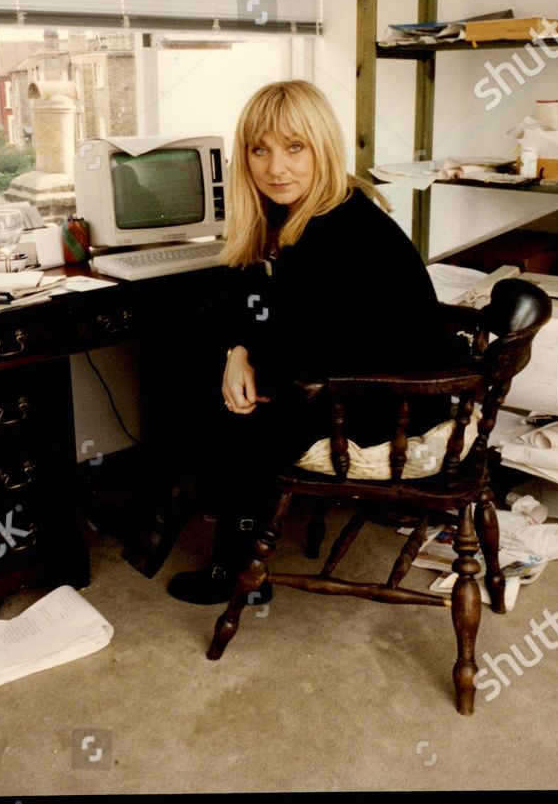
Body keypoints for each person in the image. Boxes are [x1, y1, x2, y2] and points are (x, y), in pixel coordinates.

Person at [166, 80, 463, 604]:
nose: (275, 167)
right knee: (211, 365)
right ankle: (217, 545)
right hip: (356, 380)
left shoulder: (342, 231)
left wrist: (245, 360)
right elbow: (254, 296)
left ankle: (230, 566)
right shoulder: (308, 213)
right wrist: (239, 350)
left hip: (390, 404)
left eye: (294, 147)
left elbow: (311, 347)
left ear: (322, 148)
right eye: (260, 150)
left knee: (223, 399)